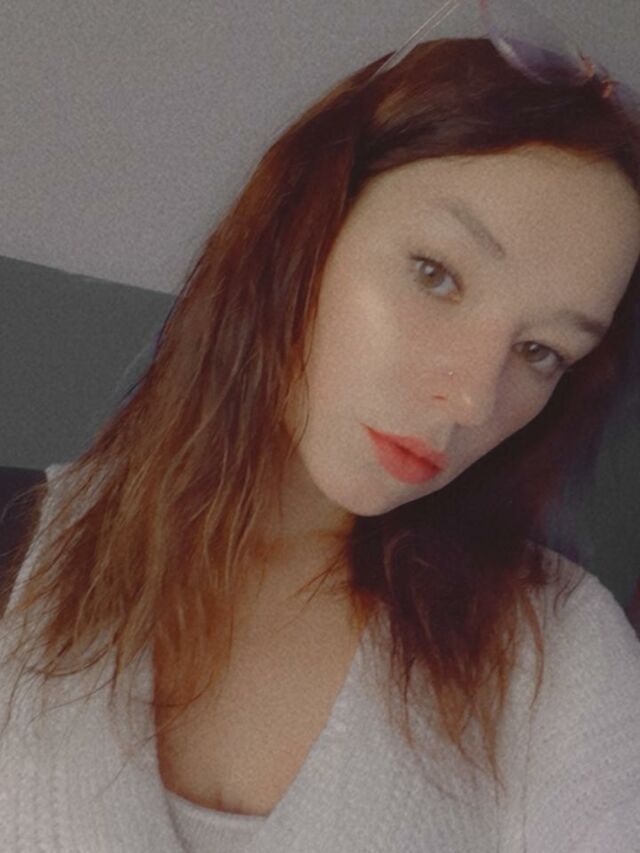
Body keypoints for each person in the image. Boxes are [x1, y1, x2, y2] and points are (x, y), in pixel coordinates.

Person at [1, 3, 640, 850]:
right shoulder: (18, 551)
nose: (472, 399)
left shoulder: (554, 651)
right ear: (302, 230)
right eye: (435, 273)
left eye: (541, 351)